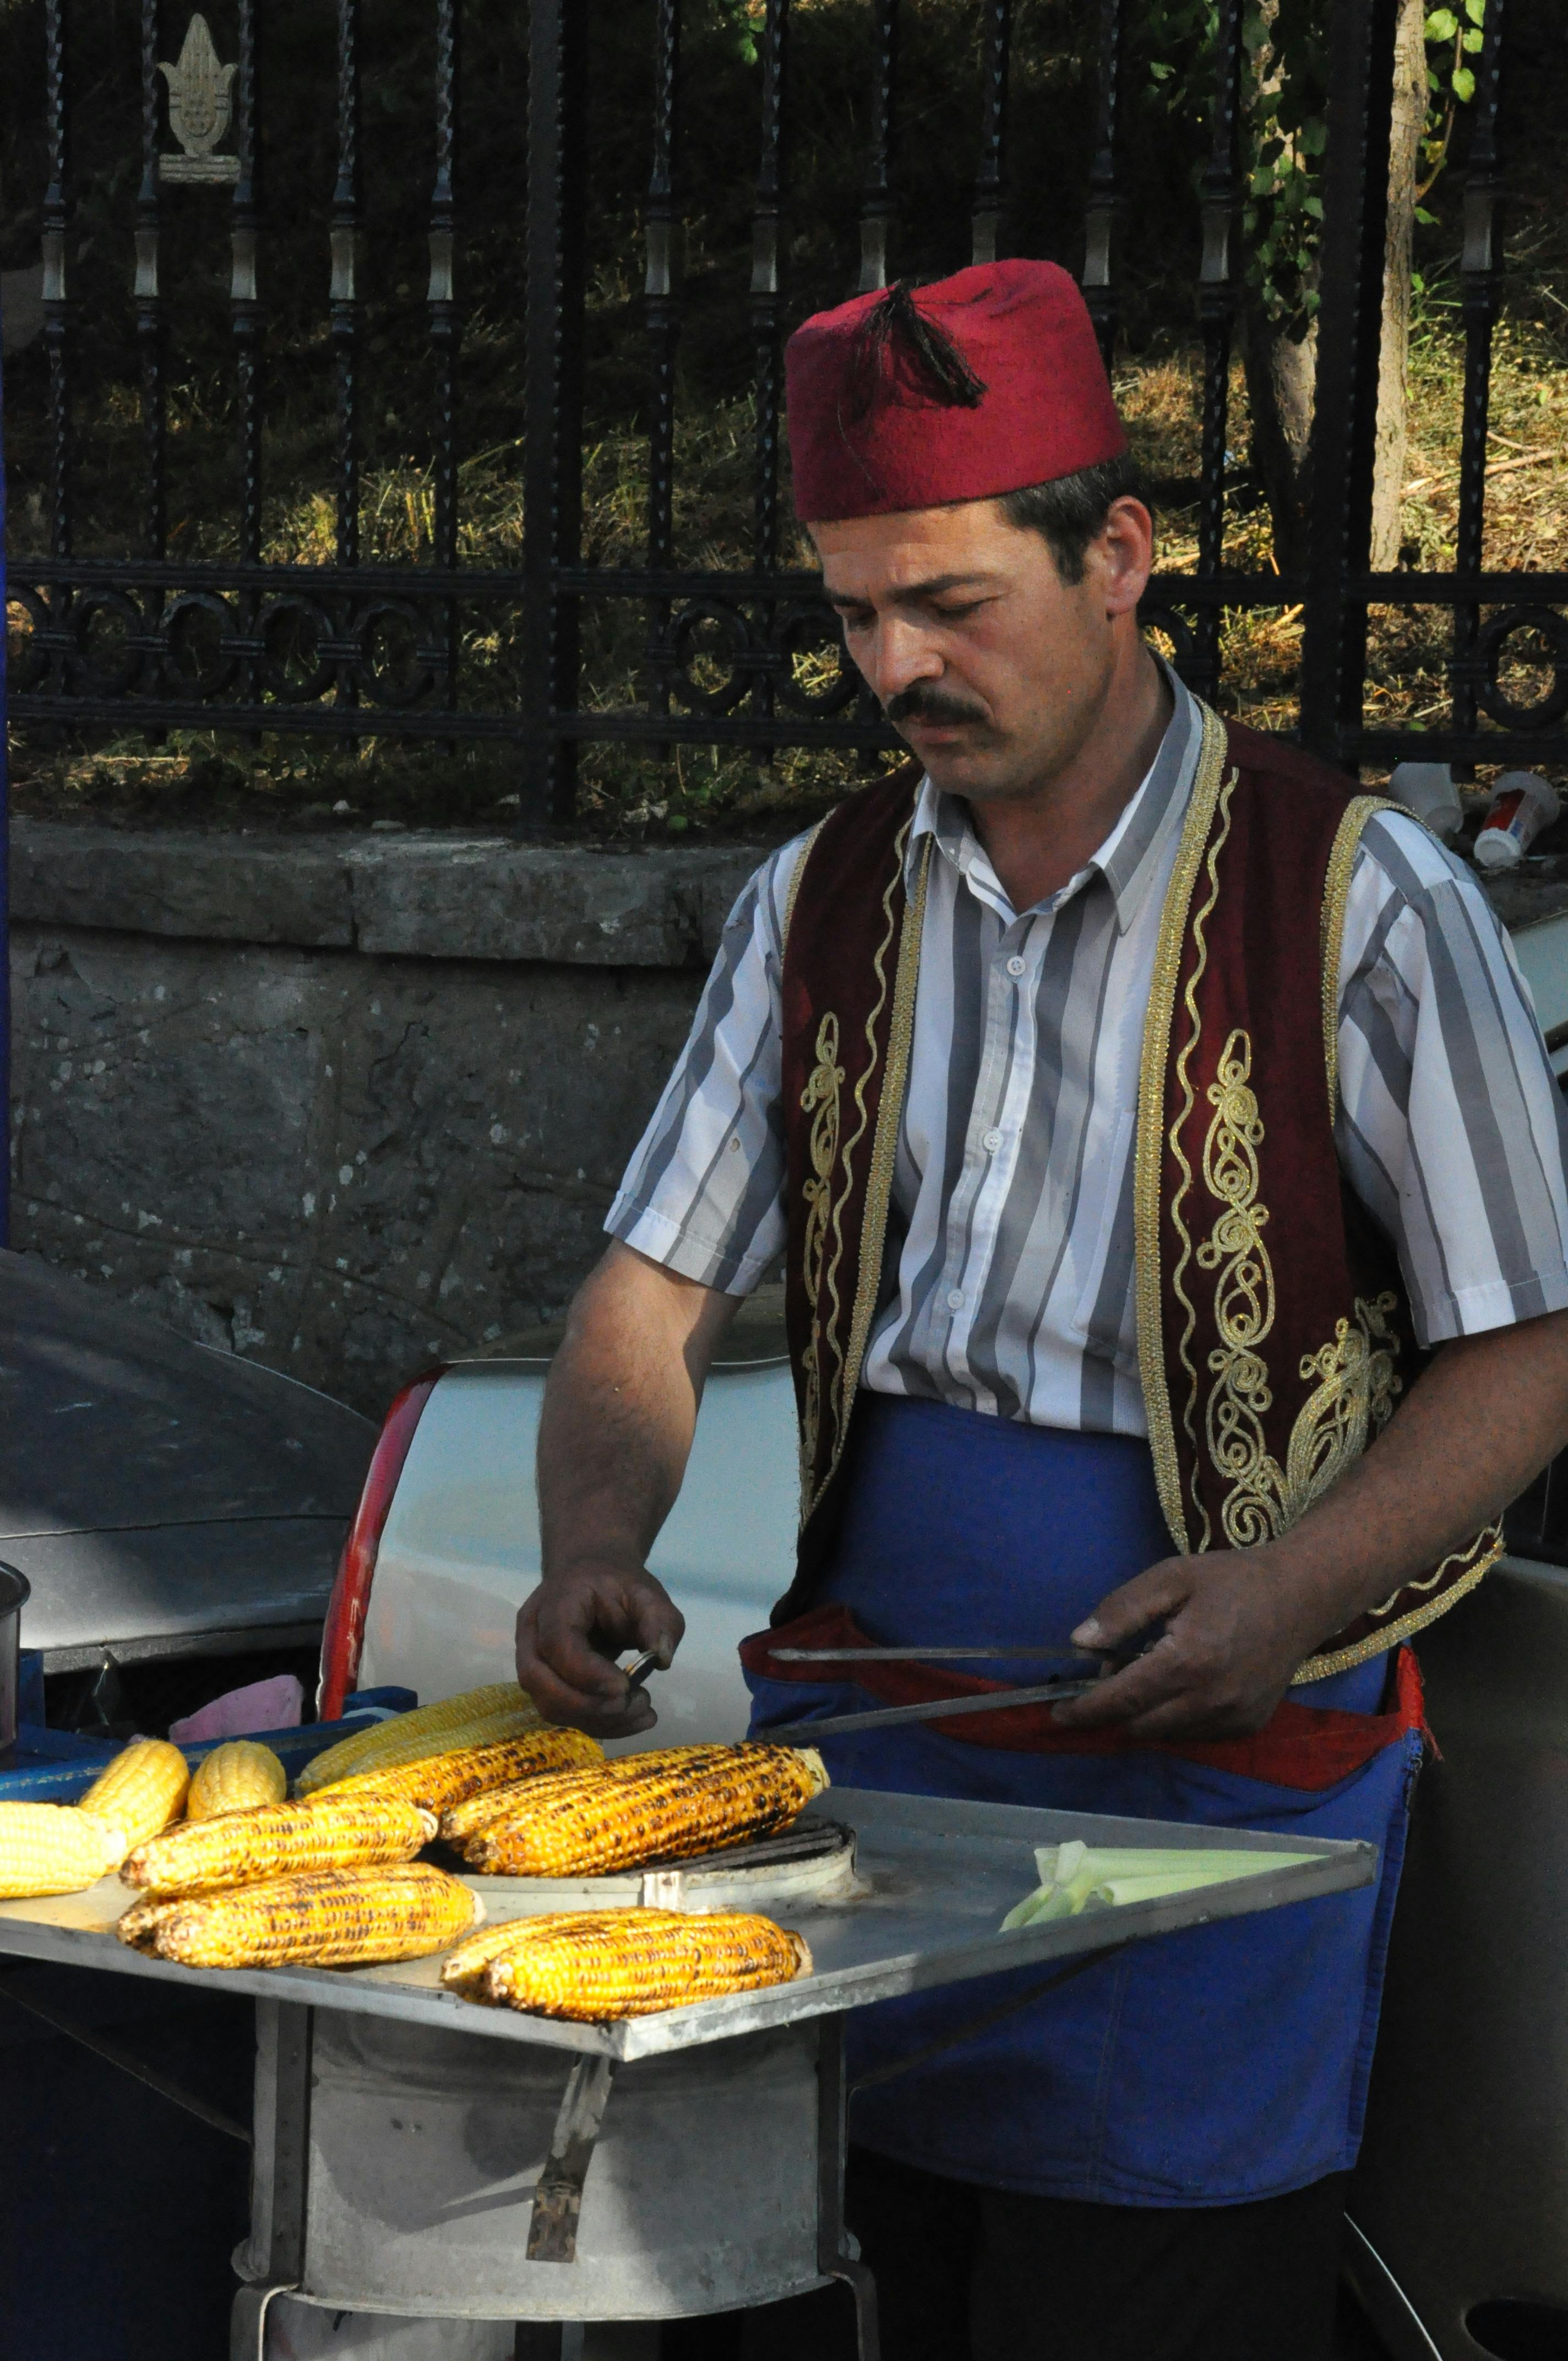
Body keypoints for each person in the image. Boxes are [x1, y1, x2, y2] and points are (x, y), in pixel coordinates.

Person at [514, 259, 1568, 2361]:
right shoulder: (815, 896)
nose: (898, 665)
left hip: (1223, 1791)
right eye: (852, 613)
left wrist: (1289, 1588)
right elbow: (648, 1287)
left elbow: (1531, 1349)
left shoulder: (1360, 902)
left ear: (1120, 558)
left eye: (952, 604)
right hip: (867, 1792)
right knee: (843, 2288)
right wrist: (590, 1545)